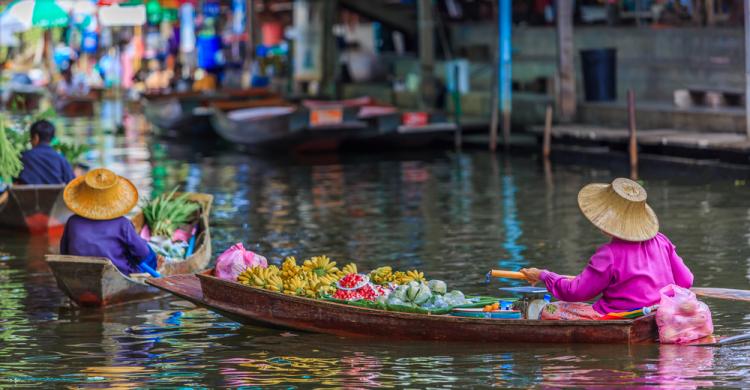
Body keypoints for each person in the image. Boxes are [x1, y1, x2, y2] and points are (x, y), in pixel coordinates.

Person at [520, 178, 694, 320]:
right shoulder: (661, 241)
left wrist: (544, 275)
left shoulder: (609, 254)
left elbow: (576, 291)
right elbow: (686, 280)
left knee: (549, 309)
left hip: (619, 317)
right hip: (658, 314)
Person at [60, 168, 161, 276]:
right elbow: (142, 253)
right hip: (120, 273)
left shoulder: (72, 222)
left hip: (79, 273)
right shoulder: (123, 224)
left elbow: (64, 251)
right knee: (147, 252)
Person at [16, 120, 75, 185]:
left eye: (31, 139)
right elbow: (72, 183)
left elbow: (14, 180)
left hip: (27, 195)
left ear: (36, 137)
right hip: (55, 195)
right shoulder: (61, 159)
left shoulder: (23, 157)